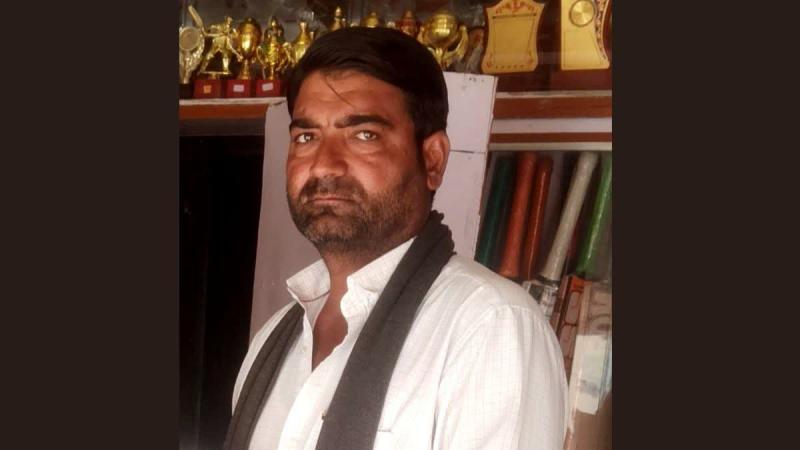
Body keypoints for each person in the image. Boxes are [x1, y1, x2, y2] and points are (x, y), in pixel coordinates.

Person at [224, 27, 567, 450]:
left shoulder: (489, 328)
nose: (324, 165)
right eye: (306, 137)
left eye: (364, 135)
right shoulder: (272, 341)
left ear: (433, 160)